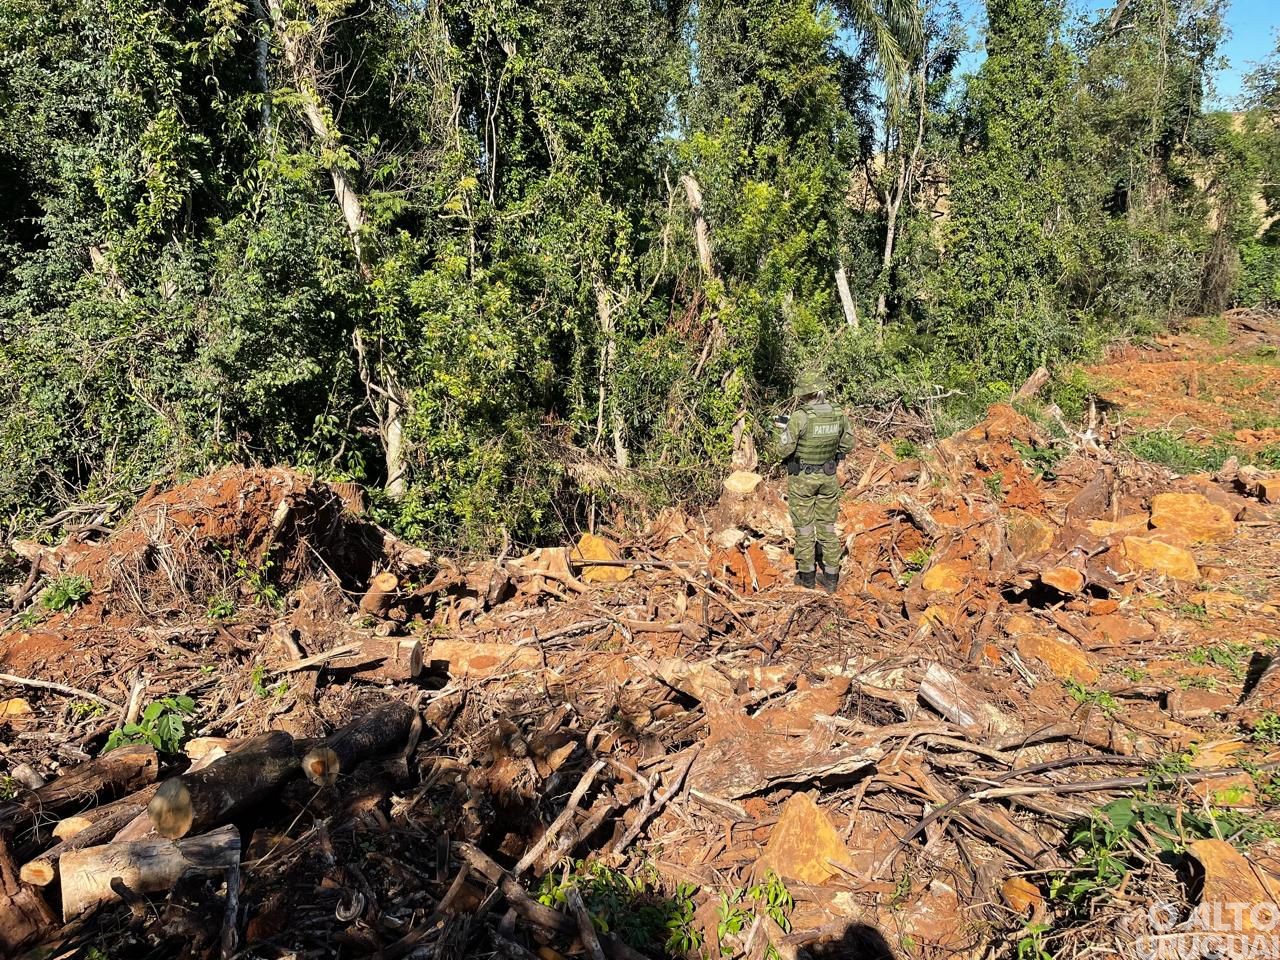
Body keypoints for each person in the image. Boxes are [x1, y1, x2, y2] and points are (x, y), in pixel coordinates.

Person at [774, 375, 854, 593]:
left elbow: (783, 450)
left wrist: (784, 430)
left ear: (804, 394)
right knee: (827, 526)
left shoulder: (799, 417)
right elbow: (848, 445)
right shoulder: (838, 413)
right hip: (828, 477)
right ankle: (831, 578)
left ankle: (807, 577)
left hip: (802, 480)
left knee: (805, 528)